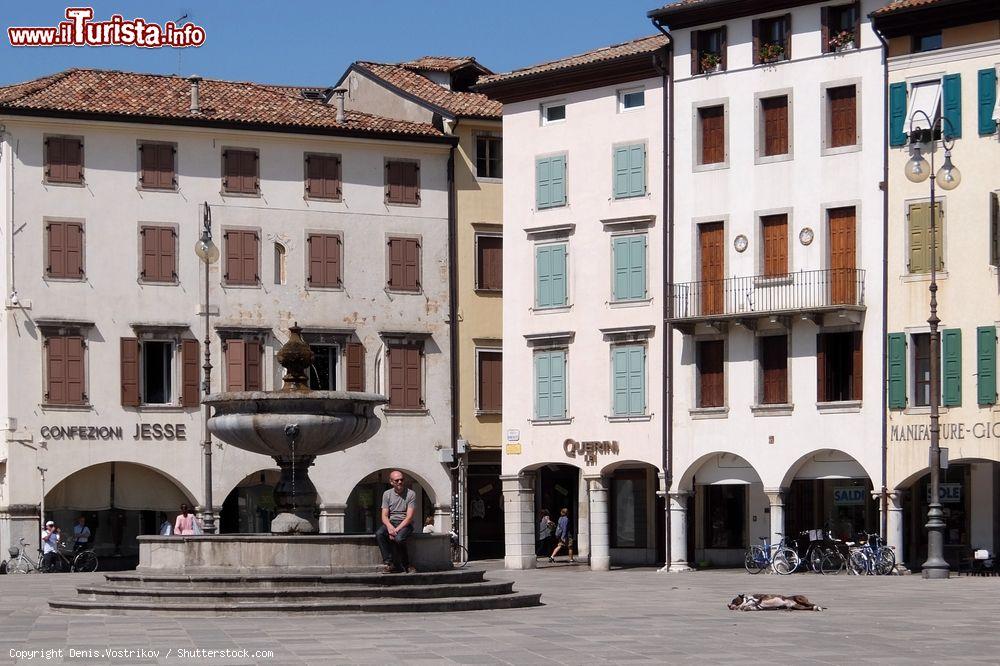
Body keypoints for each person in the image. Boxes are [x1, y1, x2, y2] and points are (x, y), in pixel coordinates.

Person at [375, 470, 416, 573]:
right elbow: (384, 515)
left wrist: (396, 530)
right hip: (392, 522)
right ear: (391, 482)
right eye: (397, 480)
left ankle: (407, 565)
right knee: (379, 533)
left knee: (399, 539)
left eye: (401, 480)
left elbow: (409, 517)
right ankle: (389, 563)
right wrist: (390, 527)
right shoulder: (387, 494)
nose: (400, 482)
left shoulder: (411, 494)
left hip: (405, 524)